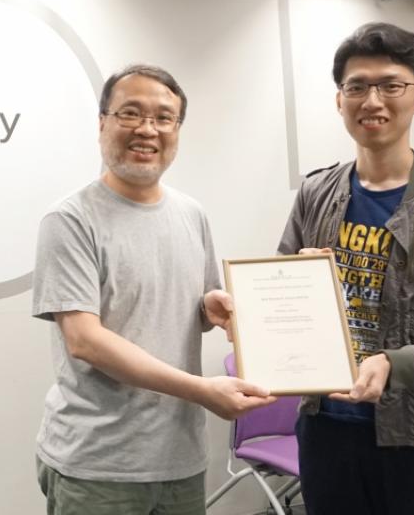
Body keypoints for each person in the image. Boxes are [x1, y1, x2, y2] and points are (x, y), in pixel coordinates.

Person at [277, 22, 414, 514]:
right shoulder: (316, 194)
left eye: (390, 86)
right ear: (340, 101)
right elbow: (277, 289)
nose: (372, 101)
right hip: (326, 427)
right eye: (356, 87)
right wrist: (258, 304)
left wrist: (393, 364)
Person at [31, 64, 274, 515]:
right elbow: (86, 340)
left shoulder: (191, 212)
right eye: (131, 114)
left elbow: (191, 302)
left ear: (177, 130)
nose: (148, 129)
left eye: (164, 118)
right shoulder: (70, 219)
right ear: (102, 122)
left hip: (179, 458)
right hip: (99, 467)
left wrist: (209, 307)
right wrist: (202, 391)